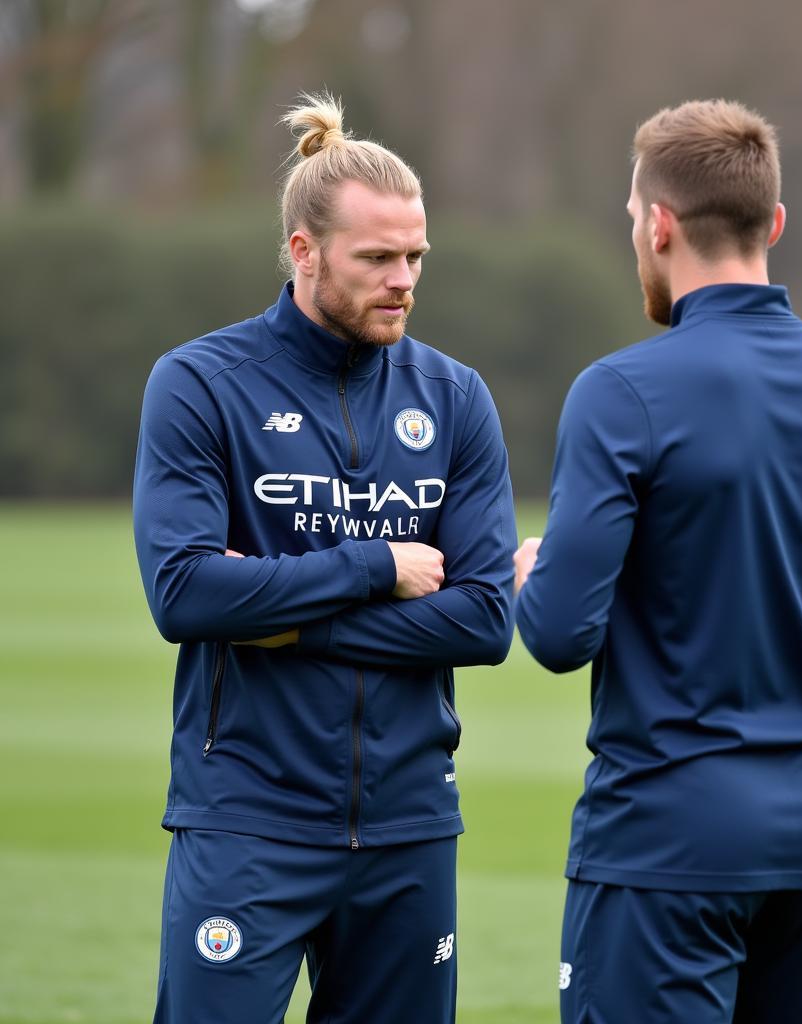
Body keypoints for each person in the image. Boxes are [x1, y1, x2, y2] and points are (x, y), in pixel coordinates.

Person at [514, 99, 802, 1024]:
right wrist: (763, 612)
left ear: (659, 223)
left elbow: (560, 633)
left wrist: (531, 574)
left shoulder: (620, 393)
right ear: (776, 225)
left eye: (634, 219)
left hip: (666, 838)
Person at [133, 92, 516, 1024]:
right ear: (304, 253)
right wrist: (375, 566)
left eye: (416, 256)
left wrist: (275, 617)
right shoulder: (199, 385)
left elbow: (483, 620)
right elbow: (185, 594)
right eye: (376, 258)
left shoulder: (456, 399)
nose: (403, 280)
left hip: (411, 828)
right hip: (245, 820)